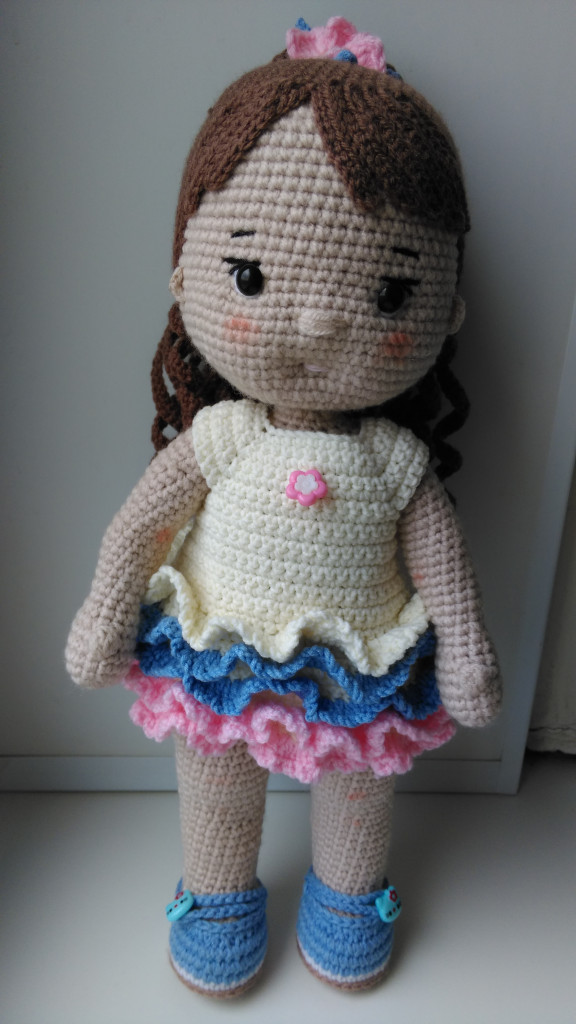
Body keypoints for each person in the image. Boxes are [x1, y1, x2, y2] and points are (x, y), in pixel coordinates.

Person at [66, 18, 501, 997]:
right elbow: (140, 526)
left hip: (364, 665)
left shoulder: (394, 461)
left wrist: (467, 650)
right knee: (216, 780)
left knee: (360, 787)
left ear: (446, 310)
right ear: (187, 276)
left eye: (390, 291)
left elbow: (444, 562)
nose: (316, 321)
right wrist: (105, 611)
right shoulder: (221, 437)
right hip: (222, 652)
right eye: (253, 276)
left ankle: (349, 900)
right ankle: (217, 899)